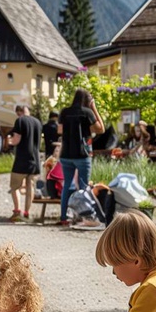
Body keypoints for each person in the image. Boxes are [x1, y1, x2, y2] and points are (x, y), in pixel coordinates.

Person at [57, 88, 104, 226]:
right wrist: (93, 108)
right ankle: (86, 216)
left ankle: (64, 217)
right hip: (83, 154)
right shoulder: (87, 113)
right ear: (86, 101)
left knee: (67, 185)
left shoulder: (64, 112)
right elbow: (101, 129)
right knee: (84, 187)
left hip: (66, 154)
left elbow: (60, 130)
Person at [8, 105, 42, 222]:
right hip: (35, 160)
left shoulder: (20, 120)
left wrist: (9, 141)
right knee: (30, 187)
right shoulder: (37, 122)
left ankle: (17, 211)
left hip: (22, 160)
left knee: (14, 187)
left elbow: (16, 139)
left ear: (19, 112)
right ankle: (27, 212)